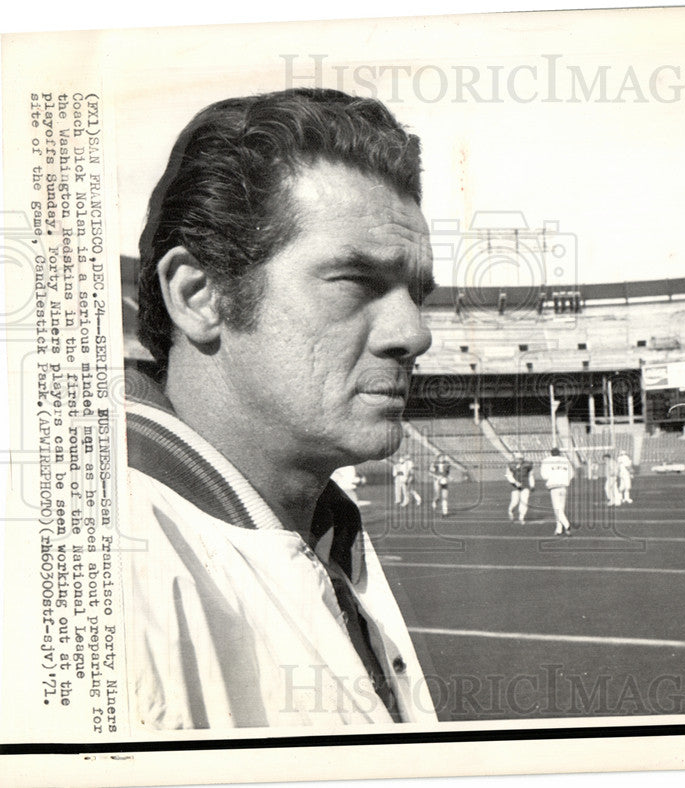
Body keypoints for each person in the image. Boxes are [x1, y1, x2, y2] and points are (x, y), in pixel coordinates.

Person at [125, 88, 438, 729]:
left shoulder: (314, 527)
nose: (414, 332)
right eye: (355, 281)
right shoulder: (113, 582)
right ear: (200, 296)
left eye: (417, 292)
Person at [539, 447, 575, 536]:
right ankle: (559, 529)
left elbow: (544, 475)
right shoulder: (565, 460)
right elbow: (572, 474)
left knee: (557, 509)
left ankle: (567, 525)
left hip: (554, 486)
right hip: (563, 486)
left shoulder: (546, 460)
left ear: (551, 453)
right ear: (559, 453)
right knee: (560, 509)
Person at [505, 451, 535, 523]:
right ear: (515, 458)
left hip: (525, 484)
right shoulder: (511, 465)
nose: (519, 460)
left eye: (521, 458)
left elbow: (531, 475)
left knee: (524, 501)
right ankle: (510, 511)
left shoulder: (528, 464)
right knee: (515, 501)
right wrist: (515, 482)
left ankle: (521, 517)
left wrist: (532, 484)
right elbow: (508, 475)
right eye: (518, 458)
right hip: (515, 486)